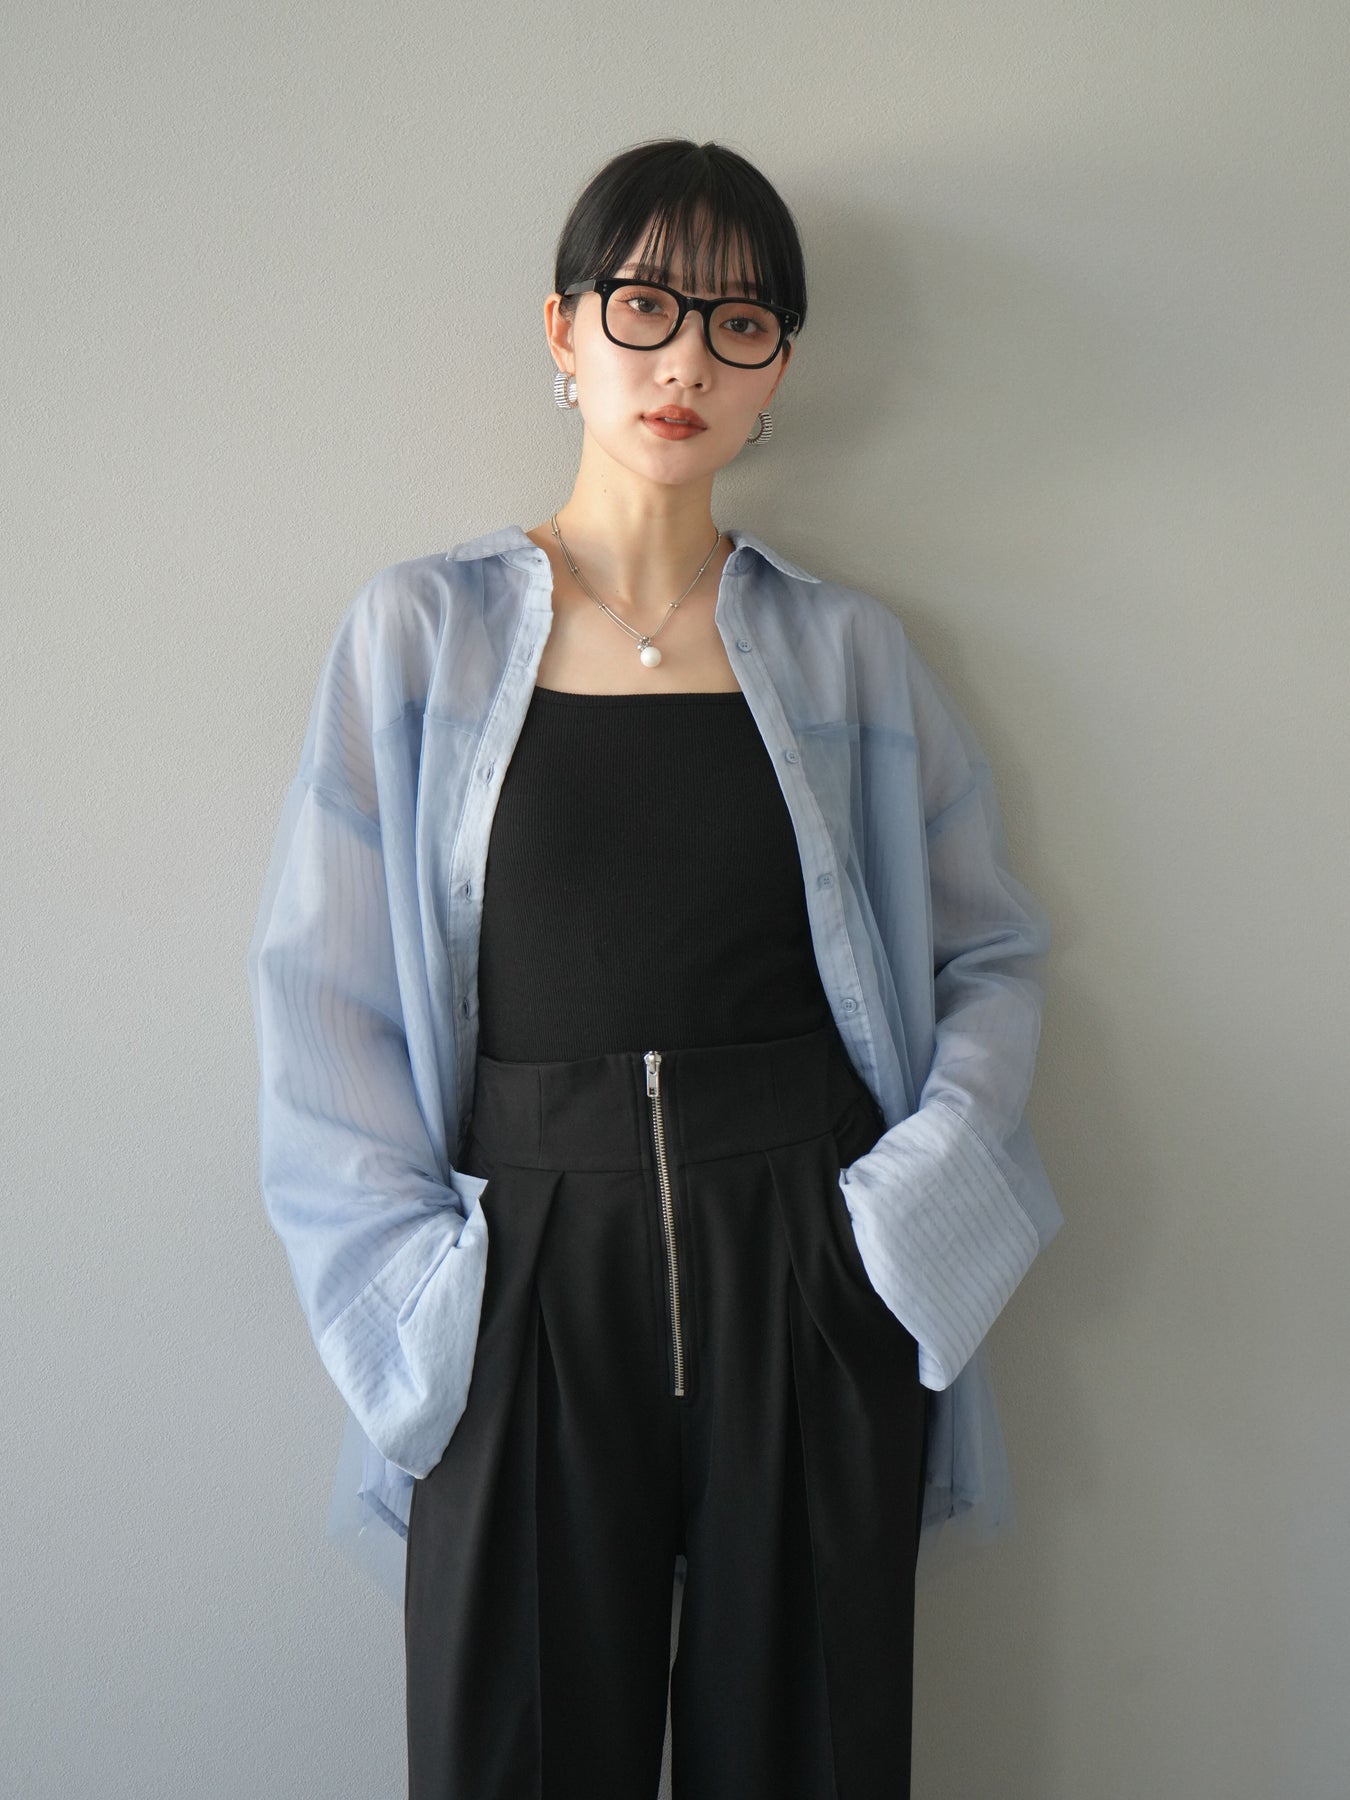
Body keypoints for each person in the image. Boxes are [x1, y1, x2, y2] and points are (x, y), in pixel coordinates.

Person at [248, 137, 1063, 1800]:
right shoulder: (419, 636)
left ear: (777, 373)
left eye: (739, 322)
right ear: (562, 330)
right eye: (644, 306)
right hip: (520, 1271)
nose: (685, 359)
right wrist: (419, 1291)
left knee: (808, 1755)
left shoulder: (847, 653)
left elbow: (985, 952)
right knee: (517, 1752)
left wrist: (892, 1231)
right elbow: (323, 1000)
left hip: (806, 1264)